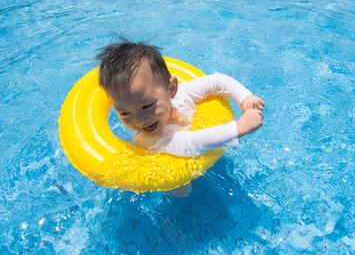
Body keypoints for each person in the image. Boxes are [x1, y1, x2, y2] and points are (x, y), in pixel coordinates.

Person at [96, 41, 264, 195]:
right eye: (124, 113)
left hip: (206, 155)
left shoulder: (180, 95)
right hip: (174, 174)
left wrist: (244, 98)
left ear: (171, 89)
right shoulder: (149, 139)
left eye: (147, 106)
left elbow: (216, 82)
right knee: (182, 193)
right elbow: (190, 144)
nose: (139, 119)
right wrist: (240, 127)